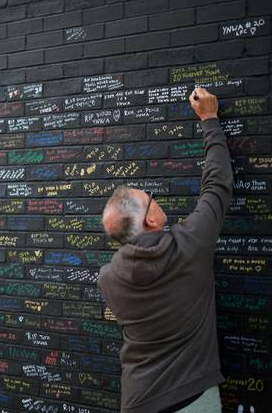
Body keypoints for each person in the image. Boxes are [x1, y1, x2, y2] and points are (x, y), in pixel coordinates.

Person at [98, 87, 233, 413]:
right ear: (153, 218)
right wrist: (210, 121)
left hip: (138, 400)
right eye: (150, 198)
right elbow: (217, 185)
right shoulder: (191, 244)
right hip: (194, 399)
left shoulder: (108, 278)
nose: (155, 201)